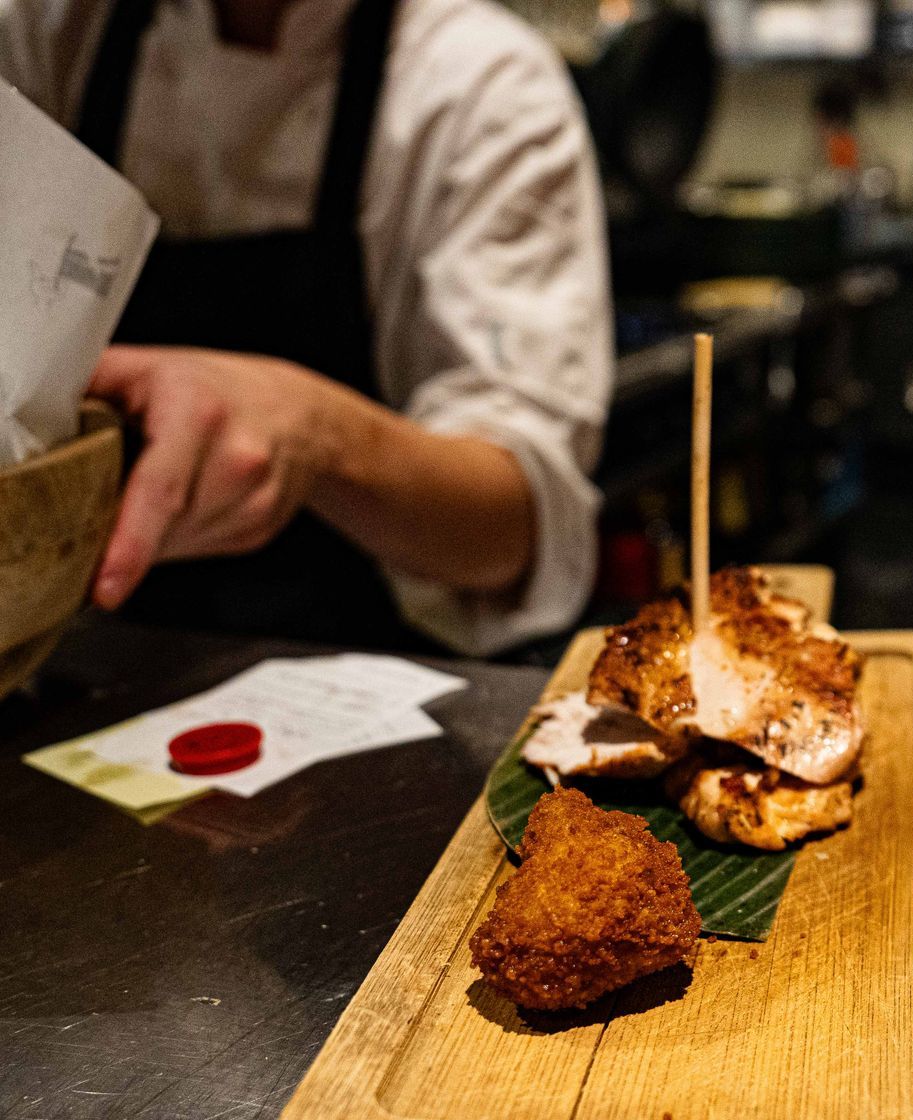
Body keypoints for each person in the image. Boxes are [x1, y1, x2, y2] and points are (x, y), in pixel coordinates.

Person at [0, 0, 613, 655]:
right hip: (72, 654)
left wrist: (310, 432)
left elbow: (517, 524)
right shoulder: (48, 36)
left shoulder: (477, 81)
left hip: (368, 670)